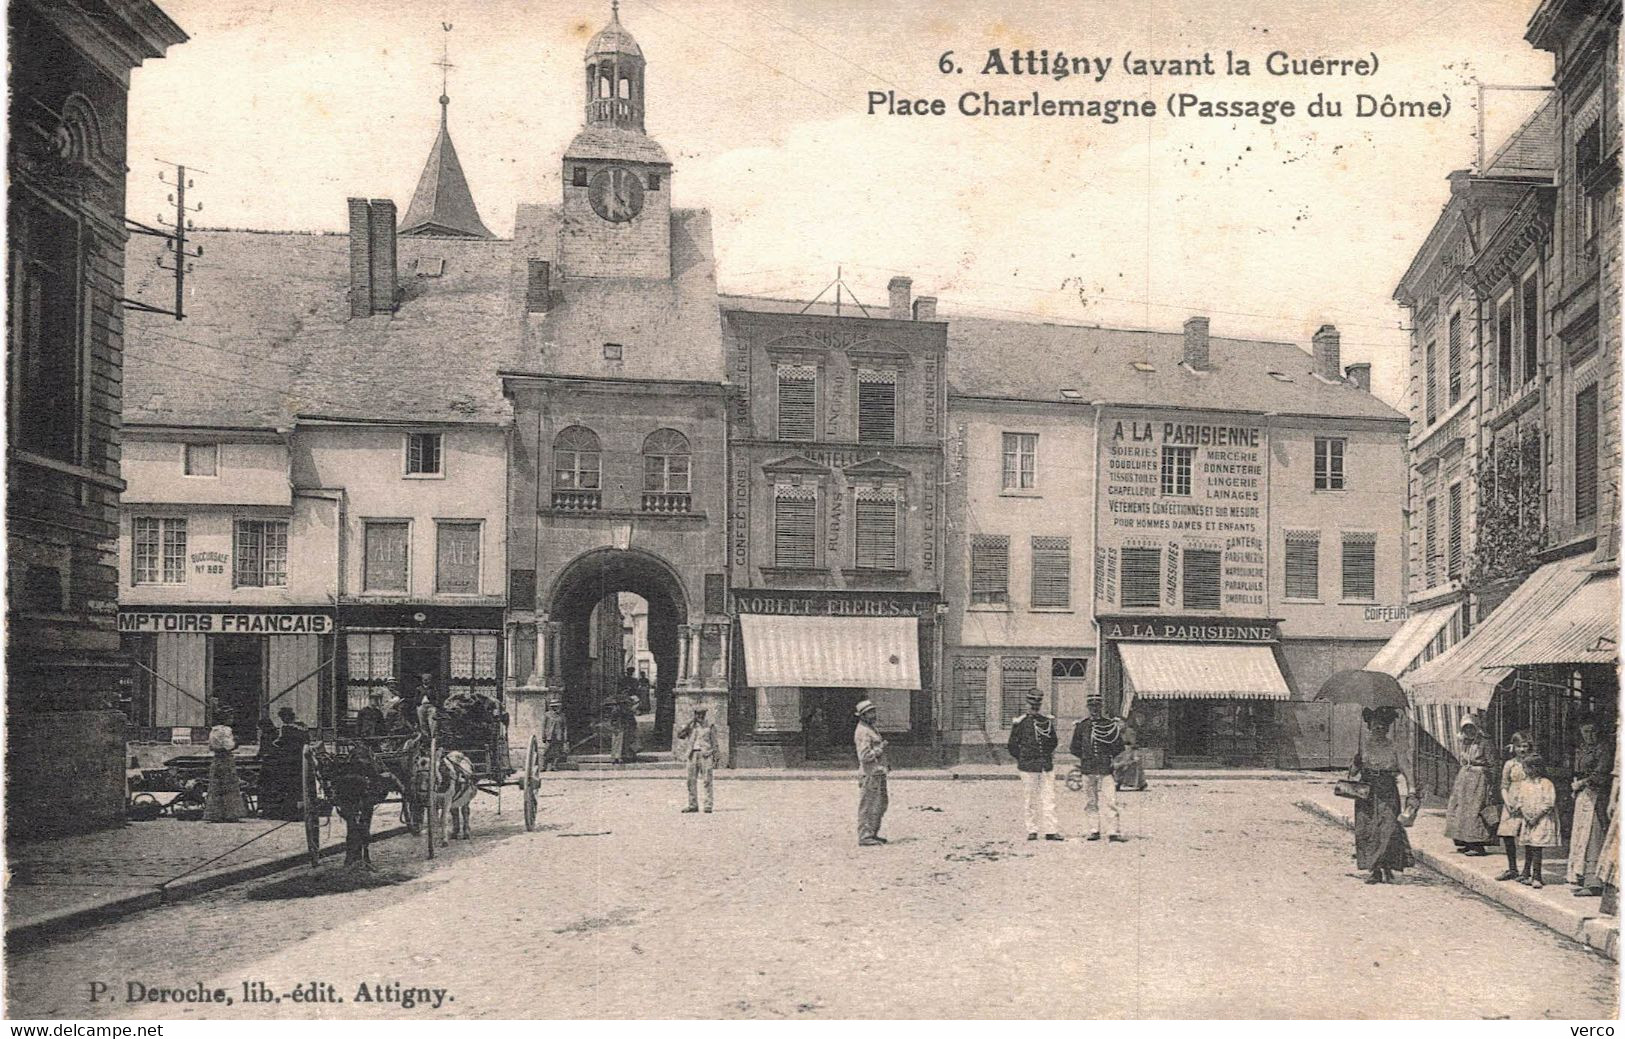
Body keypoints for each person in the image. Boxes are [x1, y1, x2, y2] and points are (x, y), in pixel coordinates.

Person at [1353, 706, 1417, 884]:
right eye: (1375, 725)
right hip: (1366, 791)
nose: (1379, 729)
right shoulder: (1363, 746)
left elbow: (1407, 770)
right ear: (1369, 726)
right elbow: (1352, 773)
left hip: (1387, 789)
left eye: (1383, 726)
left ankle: (1387, 866)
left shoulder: (1395, 747)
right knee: (1367, 830)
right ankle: (1374, 870)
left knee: (1388, 828)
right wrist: (1356, 763)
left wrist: (1412, 792)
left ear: (1388, 728)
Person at [1070, 692, 1126, 842]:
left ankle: (1113, 831)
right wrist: (1085, 758)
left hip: (1105, 768)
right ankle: (1094, 830)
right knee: (1090, 801)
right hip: (1088, 768)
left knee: (1110, 800)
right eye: (1092, 706)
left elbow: (1118, 746)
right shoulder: (1082, 726)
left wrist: (1109, 758)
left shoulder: (1109, 725)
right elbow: (1074, 747)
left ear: (1101, 707)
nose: (1094, 709)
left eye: (1097, 706)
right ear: (1088, 707)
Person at [1007, 690, 1061, 841]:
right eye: (1032, 704)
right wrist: (1024, 758)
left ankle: (1051, 830)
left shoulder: (1046, 722)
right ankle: (1032, 830)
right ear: (1027, 704)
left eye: (1037, 705)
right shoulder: (1021, 723)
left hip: (1045, 766)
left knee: (1049, 798)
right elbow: (1012, 745)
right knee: (1030, 799)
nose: (1034, 707)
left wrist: (1044, 756)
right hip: (1028, 767)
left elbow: (1053, 742)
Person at [1444, 713, 1498, 855]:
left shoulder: (1485, 742)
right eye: (1466, 728)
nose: (1469, 731)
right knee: (1460, 809)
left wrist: (1491, 783)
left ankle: (1477, 845)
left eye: (1471, 728)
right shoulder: (1464, 742)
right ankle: (1465, 841)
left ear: (1477, 727)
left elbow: (1493, 765)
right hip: (1464, 780)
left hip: (1479, 780)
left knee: (1475, 810)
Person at [1569, 722, 1612, 894]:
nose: (1589, 735)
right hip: (1583, 795)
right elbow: (1576, 770)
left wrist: (1583, 782)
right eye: (1586, 731)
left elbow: (1602, 773)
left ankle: (1594, 881)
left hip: (1598, 796)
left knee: (1594, 834)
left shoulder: (1604, 750)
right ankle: (1581, 875)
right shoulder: (1581, 749)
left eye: (1593, 731)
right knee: (1581, 834)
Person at [1516, 754, 1561, 889]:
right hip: (1528, 819)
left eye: (1527, 768)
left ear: (1536, 768)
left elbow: (1549, 803)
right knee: (1528, 846)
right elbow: (1520, 800)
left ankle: (1537, 876)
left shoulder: (1546, 784)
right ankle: (1525, 873)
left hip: (1540, 820)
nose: (1525, 770)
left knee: (1536, 848)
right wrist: (1525, 814)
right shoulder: (1524, 783)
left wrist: (1536, 817)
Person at [1495, 731, 1533, 882]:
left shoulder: (1532, 763)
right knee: (1507, 835)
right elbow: (1504, 785)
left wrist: (1522, 803)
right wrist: (1507, 802)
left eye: (1525, 746)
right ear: (1513, 747)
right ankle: (1512, 868)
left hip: (1527, 801)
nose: (1522, 750)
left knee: (1528, 836)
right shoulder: (1510, 764)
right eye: (1518, 747)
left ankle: (1526, 870)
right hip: (1511, 802)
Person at [854, 699, 889, 847]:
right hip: (870, 774)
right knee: (868, 805)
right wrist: (880, 749)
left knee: (880, 804)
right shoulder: (863, 731)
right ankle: (865, 836)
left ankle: (873, 833)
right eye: (869, 713)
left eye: (873, 711)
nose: (873, 714)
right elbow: (865, 756)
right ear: (862, 715)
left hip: (877, 772)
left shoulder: (871, 728)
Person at [203, 705, 246, 823]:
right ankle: (230, 813)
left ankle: (216, 813)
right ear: (226, 718)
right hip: (226, 758)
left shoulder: (213, 730)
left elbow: (211, 746)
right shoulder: (226, 730)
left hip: (216, 759)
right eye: (230, 717)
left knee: (216, 786)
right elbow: (229, 746)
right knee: (229, 785)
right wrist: (237, 742)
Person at [677, 705, 719, 813]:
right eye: (698, 714)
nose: (700, 716)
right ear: (695, 715)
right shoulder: (691, 727)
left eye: (702, 714)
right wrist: (689, 723)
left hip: (705, 754)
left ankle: (708, 805)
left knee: (707, 780)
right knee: (691, 781)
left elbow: (714, 742)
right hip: (692, 755)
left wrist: (716, 757)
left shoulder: (710, 726)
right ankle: (693, 805)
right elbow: (680, 735)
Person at [541, 696, 569, 770]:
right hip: (549, 736)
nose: (555, 708)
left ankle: (554, 766)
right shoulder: (547, 715)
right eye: (553, 706)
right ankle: (543, 766)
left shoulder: (562, 715)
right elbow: (544, 726)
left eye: (556, 706)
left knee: (557, 752)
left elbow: (564, 727)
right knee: (546, 751)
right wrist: (543, 735)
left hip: (559, 736)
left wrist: (565, 737)